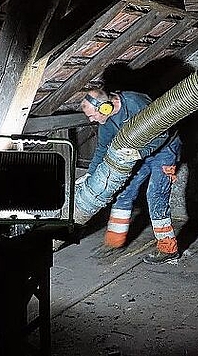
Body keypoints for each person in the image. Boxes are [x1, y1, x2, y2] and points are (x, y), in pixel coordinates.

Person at [79, 88, 182, 265]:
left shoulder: (136, 103)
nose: (91, 120)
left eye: (92, 115)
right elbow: (102, 148)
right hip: (138, 153)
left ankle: (168, 248)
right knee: (124, 192)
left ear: (105, 107)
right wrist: (90, 173)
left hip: (165, 149)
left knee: (155, 195)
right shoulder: (106, 121)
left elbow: (163, 132)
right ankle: (113, 242)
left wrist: (140, 153)